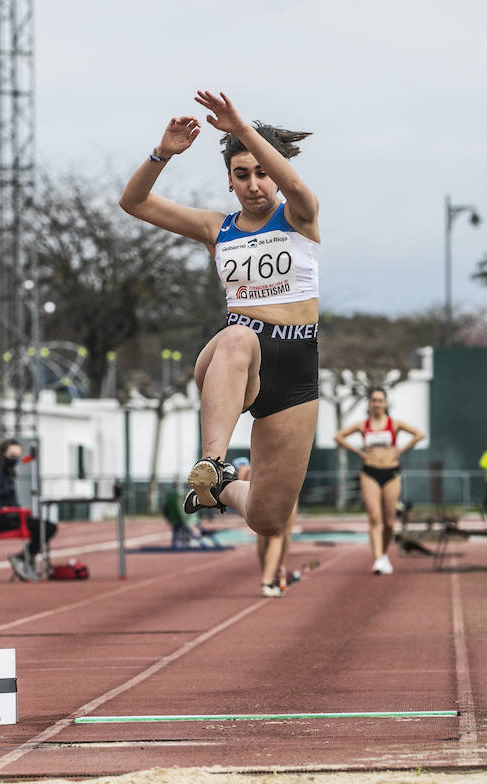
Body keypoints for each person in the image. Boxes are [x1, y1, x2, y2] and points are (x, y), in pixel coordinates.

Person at [119, 91, 319, 541]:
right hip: (235, 360)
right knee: (238, 334)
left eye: (263, 174)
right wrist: (161, 154)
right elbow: (134, 203)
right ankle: (212, 461)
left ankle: (222, 488)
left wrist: (241, 129)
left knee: (269, 520)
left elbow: (299, 187)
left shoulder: (300, 216)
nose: (253, 185)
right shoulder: (217, 229)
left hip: (297, 368)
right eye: (241, 174)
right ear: (229, 181)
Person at [333, 387, 426, 574]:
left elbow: (419, 434)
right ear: (369, 403)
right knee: (374, 518)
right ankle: (377, 559)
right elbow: (338, 437)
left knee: (389, 522)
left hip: (391, 473)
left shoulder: (394, 424)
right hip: (369, 473)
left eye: (380, 400)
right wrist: (359, 452)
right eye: (373, 400)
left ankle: (383, 555)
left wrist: (399, 451)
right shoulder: (362, 425)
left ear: (385, 403)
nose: (376, 403)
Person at [0, 438, 58, 581]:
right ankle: (24, 558)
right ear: (2, 453)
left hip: (11, 517)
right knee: (45, 527)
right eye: (12, 456)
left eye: (17, 457)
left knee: (48, 527)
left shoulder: (6, 471)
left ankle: (24, 557)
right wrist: (1, 508)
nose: (15, 460)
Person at [235, 457, 296, 596]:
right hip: (282, 479)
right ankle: (269, 579)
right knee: (279, 535)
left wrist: (241, 509)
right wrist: (282, 564)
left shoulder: (248, 467)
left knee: (263, 533)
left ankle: (269, 576)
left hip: (261, 479)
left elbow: (242, 479)